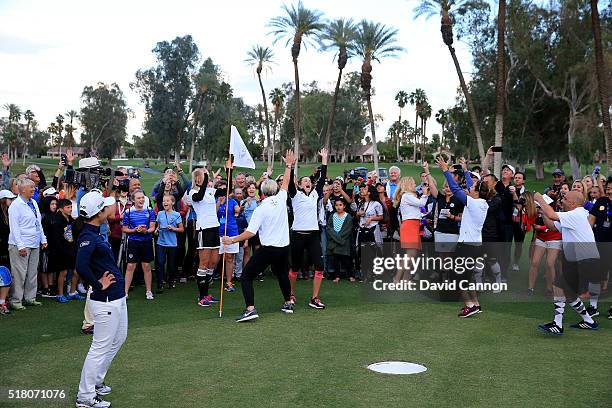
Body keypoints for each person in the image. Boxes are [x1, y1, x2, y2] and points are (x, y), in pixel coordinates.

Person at [222, 151, 296, 322]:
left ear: (261, 192)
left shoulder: (261, 208)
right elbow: (285, 183)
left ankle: (250, 309)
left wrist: (232, 239)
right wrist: (288, 166)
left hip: (269, 249)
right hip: (284, 247)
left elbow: (250, 233)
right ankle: (288, 302)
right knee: (282, 274)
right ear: (275, 190)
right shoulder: (282, 198)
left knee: (247, 275)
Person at [75, 191, 126, 408]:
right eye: (106, 207)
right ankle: (85, 396)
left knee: (118, 338)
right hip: (105, 300)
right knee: (99, 347)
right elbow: (80, 266)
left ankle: (95, 382)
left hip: (116, 297)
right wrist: (97, 285)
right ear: (99, 213)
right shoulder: (88, 237)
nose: (110, 209)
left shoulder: (95, 233)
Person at [535, 190, 600, 334]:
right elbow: (552, 225)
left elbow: (553, 215)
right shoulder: (575, 215)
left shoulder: (576, 214)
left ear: (572, 203)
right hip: (581, 260)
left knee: (559, 285)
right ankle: (589, 321)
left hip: (584, 261)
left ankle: (558, 324)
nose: (561, 200)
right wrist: (543, 211)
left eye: (564, 198)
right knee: (569, 294)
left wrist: (540, 199)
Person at [436, 156, 490, 318]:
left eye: (473, 186)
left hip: (466, 246)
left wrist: (446, 171)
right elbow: (465, 186)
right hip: (475, 246)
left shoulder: (473, 203)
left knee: (457, 278)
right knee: (467, 277)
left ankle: (469, 305)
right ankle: (476, 304)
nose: (470, 187)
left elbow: (455, 188)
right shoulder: (482, 203)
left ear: (477, 192)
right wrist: (466, 170)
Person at [287, 148, 328, 309]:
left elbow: (322, 178)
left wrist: (324, 160)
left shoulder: (315, 194)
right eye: (304, 181)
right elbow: (290, 183)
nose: (307, 182)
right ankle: (290, 294)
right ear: (299, 184)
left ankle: (314, 298)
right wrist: (290, 166)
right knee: (295, 268)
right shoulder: (295, 195)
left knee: (319, 266)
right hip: (297, 235)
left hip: (313, 236)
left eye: (308, 181)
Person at [7, 178, 48, 310]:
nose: (34, 189)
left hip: (34, 242)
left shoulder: (34, 202)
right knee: (19, 273)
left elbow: (38, 222)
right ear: (22, 189)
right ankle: (15, 300)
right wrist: (20, 246)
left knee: (32, 272)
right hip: (21, 244)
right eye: (31, 187)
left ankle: (30, 297)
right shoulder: (15, 205)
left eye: (34, 187)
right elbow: (14, 228)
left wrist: (43, 239)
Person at [188, 167, 221, 307]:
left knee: (213, 262)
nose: (200, 178)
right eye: (198, 176)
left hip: (215, 228)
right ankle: (201, 297)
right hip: (204, 229)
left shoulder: (210, 191)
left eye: (202, 176)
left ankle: (207, 294)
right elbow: (199, 197)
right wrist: (207, 177)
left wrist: (230, 172)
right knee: (204, 262)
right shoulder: (192, 192)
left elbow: (225, 191)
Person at [122, 189, 156, 300]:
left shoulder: (149, 210)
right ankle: (125, 292)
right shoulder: (128, 212)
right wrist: (135, 230)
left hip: (146, 241)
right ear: (133, 200)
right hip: (133, 242)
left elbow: (152, 227)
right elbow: (125, 229)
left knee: (146, 266)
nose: (141, 200)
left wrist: (146, 231)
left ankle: (149, 291)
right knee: (130, 266)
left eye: (142, 197)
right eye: (138, 198)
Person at [394, 175, 429, 281]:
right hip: (409, 226)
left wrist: (423, 215)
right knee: (410, 255)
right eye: (413, 183)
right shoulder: (406, 196)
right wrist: (425, 194)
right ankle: (397, 279)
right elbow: (421, 203)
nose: (415, 185)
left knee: (412, 255)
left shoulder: (409, 196)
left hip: (413, 225)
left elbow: (415, 212)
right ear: (408, 185)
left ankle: (406, 279)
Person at [51, 199, 84, 303]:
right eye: (68, 207)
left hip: (71, 248)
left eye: (71, 207)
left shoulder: (70, 219)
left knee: (76, 270)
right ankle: (60, 294)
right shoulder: (57, 220)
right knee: (63, 272)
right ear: (61, 209)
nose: (70, 209)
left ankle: (72, 292)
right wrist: (61, 249)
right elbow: (56, 238)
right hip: (62, 250)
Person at [588, 178, 612, 319]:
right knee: (595, 275)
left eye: (611, 188)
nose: (609, 191)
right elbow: (591, 220)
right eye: (608, 188)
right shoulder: (602, 202)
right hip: (599, 245)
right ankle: (593, 306)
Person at [156, 194, 184, 291]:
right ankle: (160, 283)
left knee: (171, 264)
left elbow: (181, 229)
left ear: (172, 203)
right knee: (160, 263)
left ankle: (171, 281)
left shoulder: (176, 215)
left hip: (172, 243)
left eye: (167, 201)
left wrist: (173, 228)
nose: (165, 203)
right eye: (164, 201)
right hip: (161, 242)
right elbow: (158, 227)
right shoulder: (160, 214)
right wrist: (157, 230)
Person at [326, 199, 354, 282]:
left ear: (344, 206)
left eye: (340, 205)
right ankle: (337, 276)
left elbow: (347, 230)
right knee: (336, 260)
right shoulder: (332, 216)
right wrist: (336, 238)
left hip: (344, 241)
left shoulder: (348, 216)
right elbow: (329, 228)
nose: (338, 207)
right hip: (335, 241)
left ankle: (350, 275)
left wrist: (338, 239)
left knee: (346, 260)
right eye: (337, 205)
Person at [0, 189, 16, 315]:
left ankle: (2, 303)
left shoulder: (10, 212)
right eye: (9, 199)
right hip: (2, 248)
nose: (11, 201)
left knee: (5, 276)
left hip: (6, 248)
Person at [510, 171, 527, 272]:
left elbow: (520, 207)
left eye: (519, 178)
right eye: (515, 177)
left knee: (519, 244)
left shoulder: (526, 193)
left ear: (523, 180)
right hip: (509, 221)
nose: (517, 179)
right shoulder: (509, 189)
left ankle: (516, 262)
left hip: (520, 222)